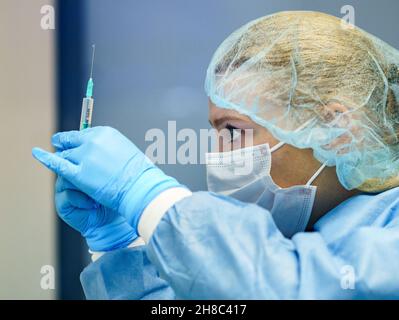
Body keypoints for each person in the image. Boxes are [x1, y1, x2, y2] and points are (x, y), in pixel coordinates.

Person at [32, 11, 399, 299]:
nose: (216, 154)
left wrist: (149, 198)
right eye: (215, 131)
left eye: (234, 131)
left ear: (337, 131)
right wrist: (121, 243)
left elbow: (293, 289)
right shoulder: (300, 239)